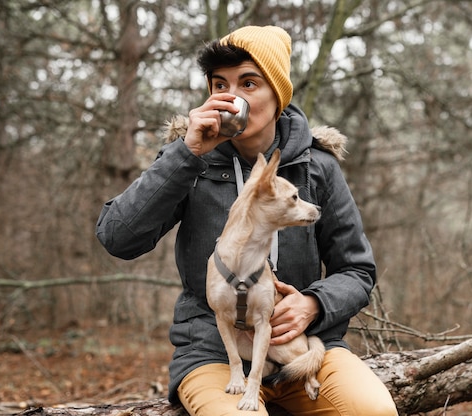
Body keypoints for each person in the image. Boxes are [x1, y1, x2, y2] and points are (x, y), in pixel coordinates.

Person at [96, 25, 397, 416]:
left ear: (278, 95)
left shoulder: (315, 166)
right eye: (220, 85)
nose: (232, 97)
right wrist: (186, 154)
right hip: (214, 353)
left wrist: (314, 304)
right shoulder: (190, 160)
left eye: (249, 83)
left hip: (299, 349)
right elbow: (117, 237)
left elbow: (357, 270)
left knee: (373, 411)